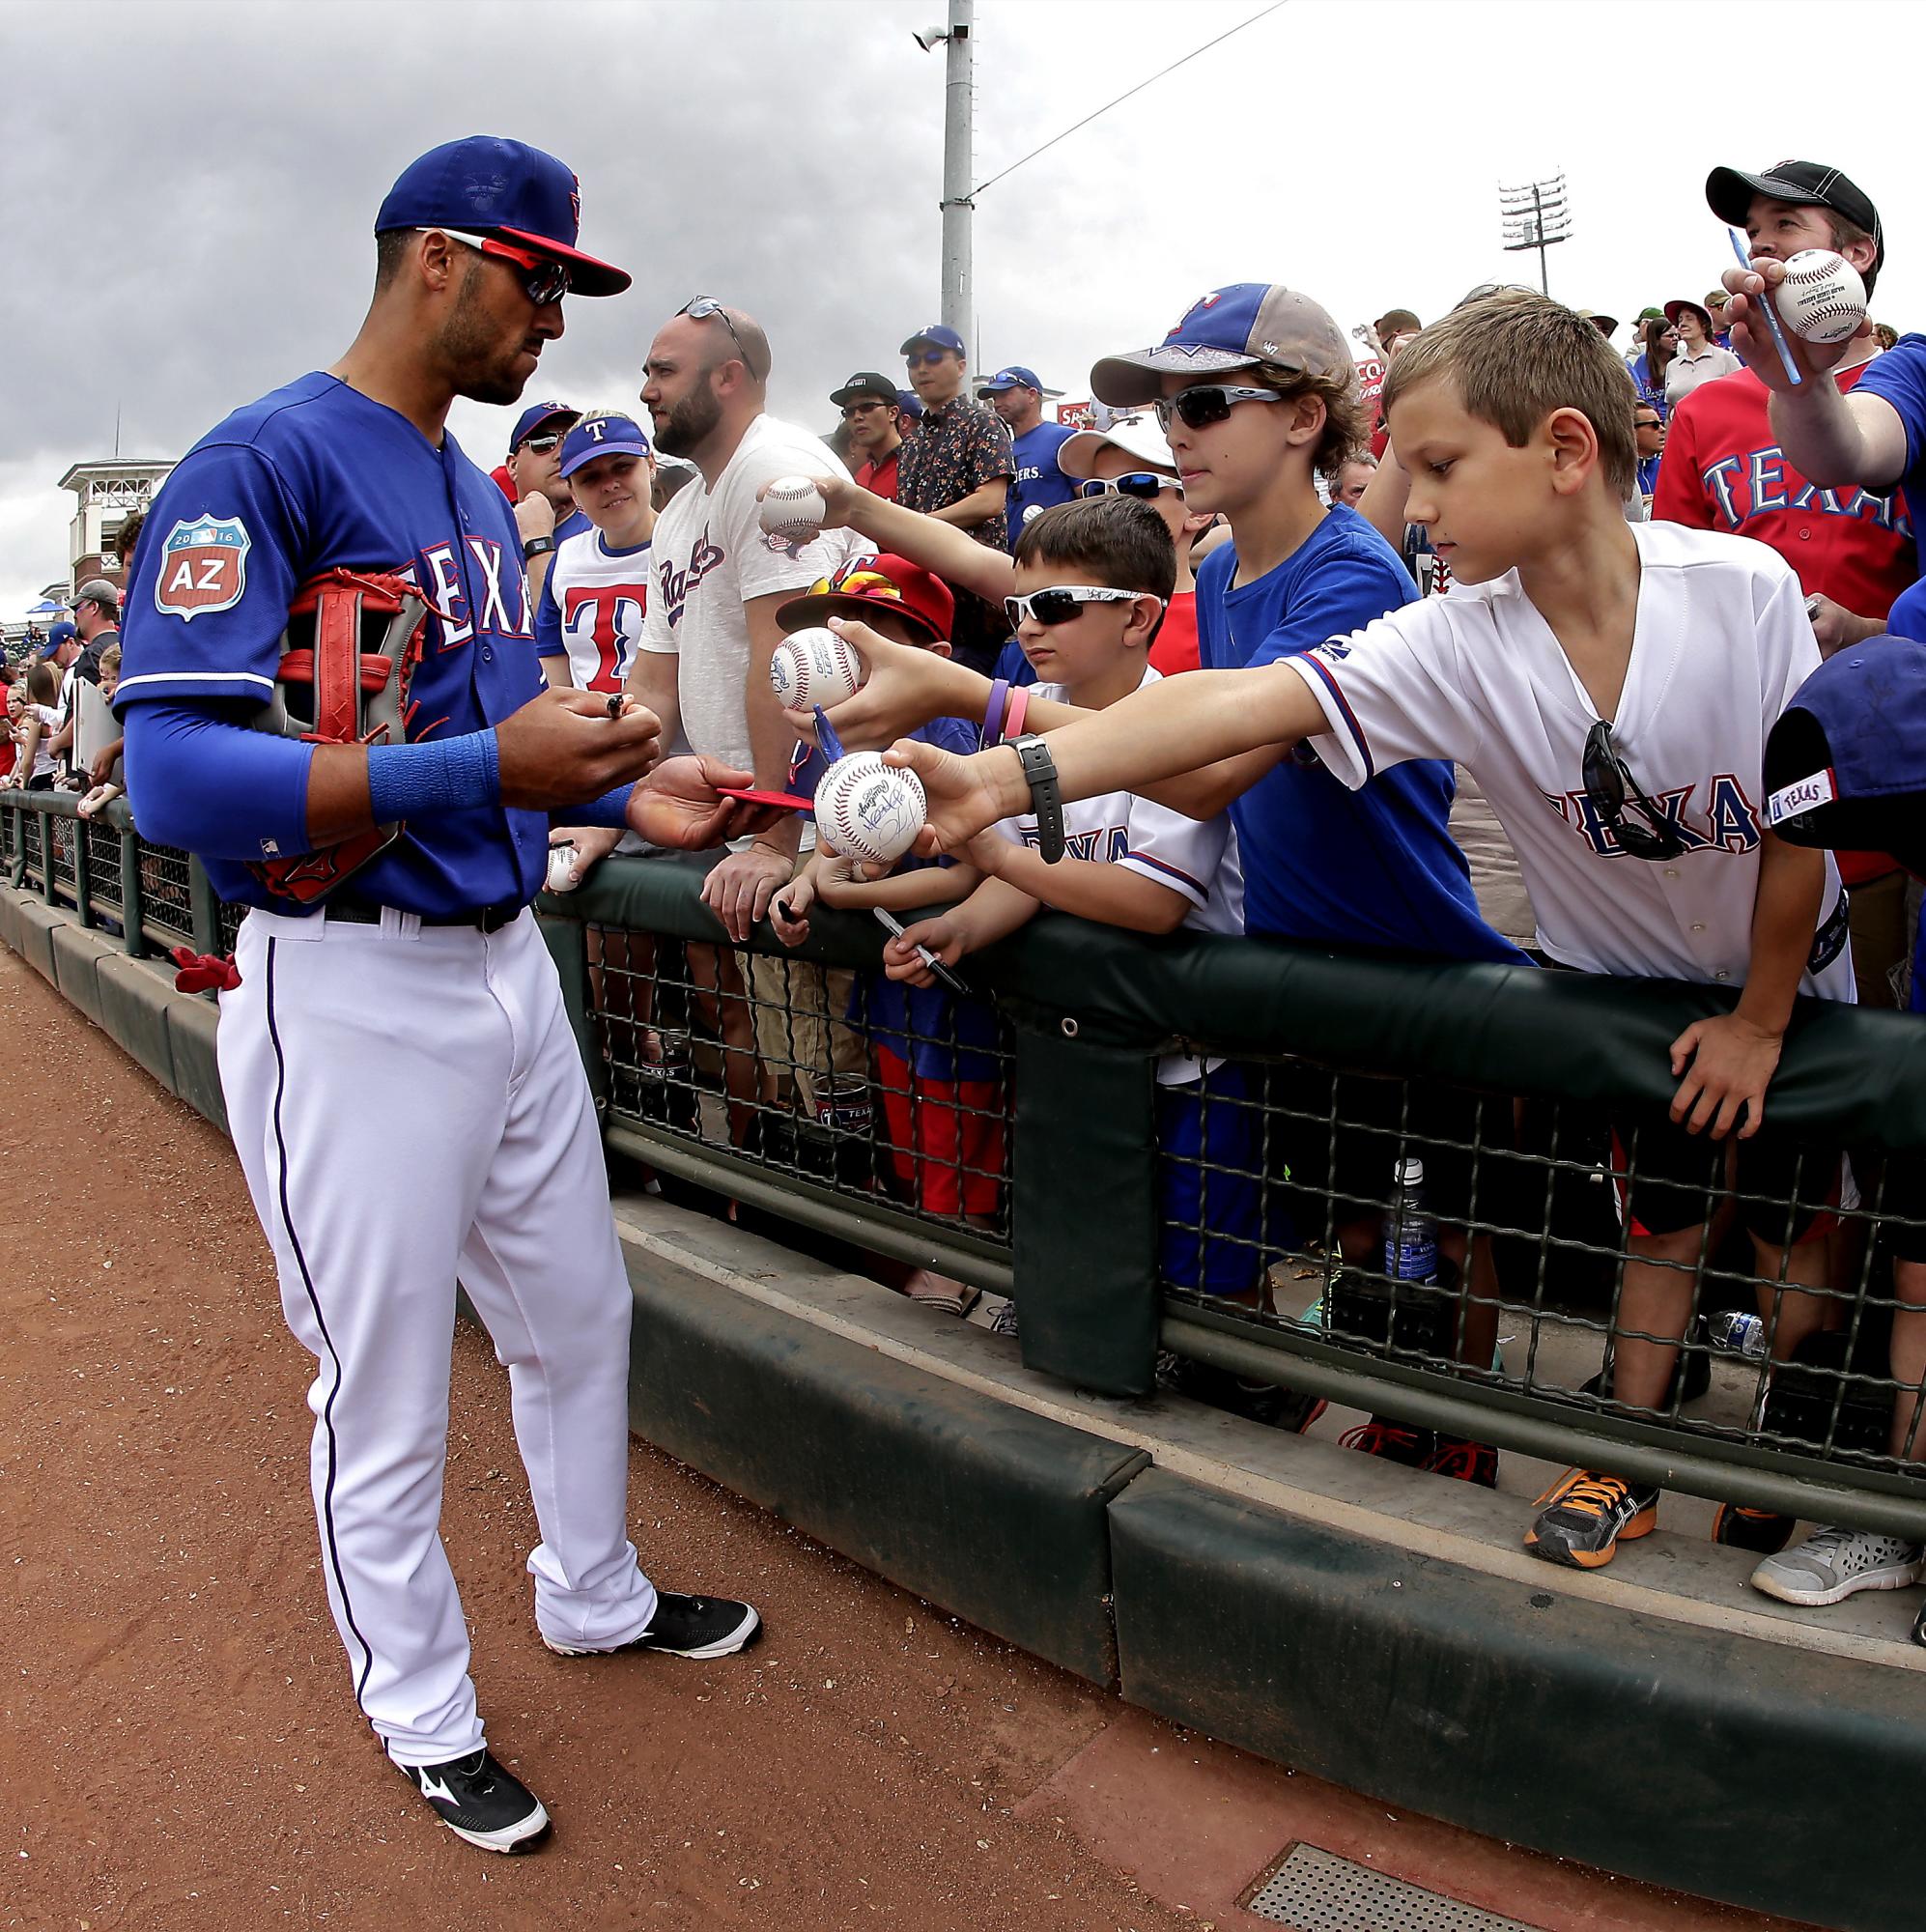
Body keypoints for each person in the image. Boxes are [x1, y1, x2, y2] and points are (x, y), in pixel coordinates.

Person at [867, 293, 1854, 1570]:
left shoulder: (1741, 587)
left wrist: (1763, 1017)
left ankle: (1785, 1445)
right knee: (1656, 1229)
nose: (1415, 502)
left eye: (1438, 465)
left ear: (1563, 453)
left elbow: (1794, 828)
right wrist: (1000, 782)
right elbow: (1236, 711)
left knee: (1798, 1238)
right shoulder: (1451, 631)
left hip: (1783, 979)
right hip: (1626, 988)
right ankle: (1630, 1451)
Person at [115, 135, 772, 1856]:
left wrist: (616, 796)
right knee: (384, 1388)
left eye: (566, 286)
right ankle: (417, 1706)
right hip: (343, 992)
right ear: (433, 263)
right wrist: (496, 765)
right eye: (535, 277)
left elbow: (477, 753)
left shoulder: (481, 494)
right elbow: (171, 780)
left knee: (578, 1322)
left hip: (504, 971)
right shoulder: (260, 459)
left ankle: (594, 1595)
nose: (552, 314)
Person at [815, 283, 1525, 1476]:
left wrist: (971, 707)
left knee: (1437, 1233)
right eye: (1159, 404)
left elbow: (1200, 776)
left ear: (1303, 417)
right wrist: (861, 511)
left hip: (1405, 962)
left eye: (1201, 400)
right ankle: (1390, 1409)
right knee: (1354, 1230)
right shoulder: (1218, 571)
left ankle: (1460, 1432)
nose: (1173, 429)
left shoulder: (1345, 568)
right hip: (1283, 971)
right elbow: (1016, 583)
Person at [1717, 165, 1926, 1608]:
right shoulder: (1911, 367)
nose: (1760, 242)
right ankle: (1908, 1516)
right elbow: (1850, 442)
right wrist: (1793, 373)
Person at [1657, 158, 1912, 1013]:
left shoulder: (1906, 386)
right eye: (1752, 230)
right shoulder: (1706, 409)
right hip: (1742, 805)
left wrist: (1865, 630)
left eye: (1788, 226)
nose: (1761, 244)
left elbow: (1852, 448)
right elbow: (1670, 589)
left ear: (1858, 255)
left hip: (1883, 806)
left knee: (1880, 1082)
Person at [631, 298, 873, 1149]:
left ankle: (919, 1274)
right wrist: (607, 802)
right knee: (790, 1064)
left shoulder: (777, 471)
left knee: (838, 1070)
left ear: (727, 378)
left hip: (824, 828)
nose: (646, 389)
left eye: (663, 370)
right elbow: (654, 685)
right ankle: (850, 1250)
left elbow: (795, 660)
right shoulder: (688, 506)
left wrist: (774, 832)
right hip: (758, 825)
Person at [766, 554, 1002, 1316]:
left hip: (961, 979)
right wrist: (811, 877)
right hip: (890, 977)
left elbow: (974, 871)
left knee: (956, 1124)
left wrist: (847, 884)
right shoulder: (831, 742)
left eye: (862, 644)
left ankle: (962, 1264)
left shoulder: (947, 730)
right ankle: (930, 1252)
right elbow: (837, 841)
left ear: (929, 659)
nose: (836, 663)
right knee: (902, 1118)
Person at [1055, 412, 1214, 675]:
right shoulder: (1057, 602)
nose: (1109, 504)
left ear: (1198, 510)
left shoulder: (1217, 617)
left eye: (1137, 486)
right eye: (1096, 490)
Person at [897, 323, 1014, 669]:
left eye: (934, 357)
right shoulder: (913, 442)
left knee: (977, 717)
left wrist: (918, 527)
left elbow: (990, 500)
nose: (922, 367)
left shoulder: (983, 423)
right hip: (923, 607)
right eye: (914, 360)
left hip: (975, 613)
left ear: (961, 366)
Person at [977, 364, 1076, 545]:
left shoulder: (1064, 438)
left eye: (1005, 394)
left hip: (1057, 555)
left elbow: (1089, 501)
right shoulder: (1001, 450)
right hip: (1011, 559)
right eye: (994, 398)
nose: (997, 403)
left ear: (1031, 394)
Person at [829, 371, 904, 499]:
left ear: (892, 413)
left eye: (867, 406)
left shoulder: (917, 464)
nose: (857, 417)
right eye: (849, 411)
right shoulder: (861, 477)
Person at [1661, 298, 1741, 406]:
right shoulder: (1672, 366)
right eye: (1680, 320)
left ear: (1704, 326)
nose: (1682, 324)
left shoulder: (1725, 358)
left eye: (1689, 319)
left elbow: (1742, 397)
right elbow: (1669, 411)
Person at [1633, 403, 1666, 505]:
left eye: (1662, 424)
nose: (1663, 429)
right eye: (1655, 425)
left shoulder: (1669, 468)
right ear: (1632, 431)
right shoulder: (1616, 475)